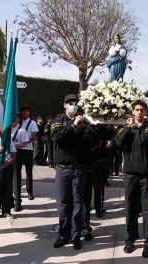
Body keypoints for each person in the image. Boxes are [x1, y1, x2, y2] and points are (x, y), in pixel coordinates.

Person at [115, 99, 148, 259]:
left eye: (142, 110)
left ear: (146, 112)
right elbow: (118, 142)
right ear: (133, 112)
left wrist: (136, 128)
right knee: (130, 208)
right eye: (137, 110)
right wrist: (128, 128)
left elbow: (147, 140)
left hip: (145, 175)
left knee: (146, 210)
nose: (139, 113)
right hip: (130, 174)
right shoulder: (125, 128)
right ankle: (130, 239)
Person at [51, 94, 86, 250]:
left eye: (75, 103)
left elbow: (89, 140)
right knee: (63, 204)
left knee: (78, 204)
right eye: (70, 103)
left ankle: (76, 236)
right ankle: (63, 235)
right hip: (63, 169)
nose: (73, 105)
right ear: (64, 105)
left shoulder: (82, 122)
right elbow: (56, 137)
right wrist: (72, 125)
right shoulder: (58, 121)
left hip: (78, 169)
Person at [0, 125, 21, 219]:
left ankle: (6, 211)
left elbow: (14, 156)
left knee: (7, 189)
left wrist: (6, 164)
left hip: (7, 167)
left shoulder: (10, 142)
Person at [14, 105, 38, 202]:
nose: (25, 112)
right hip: (17, 150)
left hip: (28, 149)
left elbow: (34, 136)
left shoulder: (32, 123)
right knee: (17, 172)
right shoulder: (17, 122)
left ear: (29, 112)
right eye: (23, 111)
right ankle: (17, 193)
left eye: (27, 111)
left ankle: (30, 191)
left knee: (29, 171)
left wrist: (24, 143)